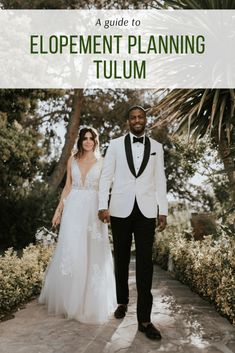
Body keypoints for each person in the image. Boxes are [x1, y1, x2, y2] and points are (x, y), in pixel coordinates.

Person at [98, 106, 168, 340]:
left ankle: (145, 320)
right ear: (128, 121)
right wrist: (102, 204)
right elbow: (106, 176)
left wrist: (163, 210)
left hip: (146, 211)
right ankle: (122, 301)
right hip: (119, 209)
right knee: (121, 259)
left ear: (146, 120)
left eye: (140, 117)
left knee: (145, 264)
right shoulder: (116, 145)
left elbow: (160, 180)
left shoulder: (157, 147)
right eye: (133, 118)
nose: (137, 120)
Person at [39, 127, 116, 324]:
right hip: (73, 209)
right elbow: (67, 187)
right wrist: (59, 210)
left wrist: (106, 210)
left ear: (96, 141)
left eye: (91, 138)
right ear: (80, 141)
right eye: (85, 138)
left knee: (92, 253)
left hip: (93, 212)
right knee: (72, 251)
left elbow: (105, 189)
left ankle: (89, 303)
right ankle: (69, 302)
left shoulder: (102, 162)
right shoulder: (72, 160)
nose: (88, 141)